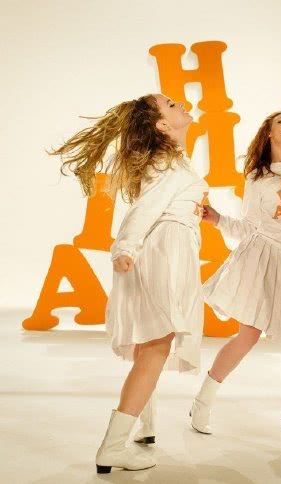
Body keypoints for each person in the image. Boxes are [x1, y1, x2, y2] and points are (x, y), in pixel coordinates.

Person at [52, 94, 208, 472]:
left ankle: (144, 424)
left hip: (167, 248)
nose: (180, 103)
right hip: (165, 252)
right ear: (162, 125)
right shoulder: (167, 162)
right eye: (170, 104)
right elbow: (144, 209)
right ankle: (112, 447)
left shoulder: (171, 159)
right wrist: (124, 246)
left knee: (151, 342)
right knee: (156, 345)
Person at [189, 112, 281, 433]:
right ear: (268, 132)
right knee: (248, 335)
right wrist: (217, 219)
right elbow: (249, 227)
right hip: (265, 258)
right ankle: (202, 401)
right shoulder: (257, 177)